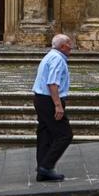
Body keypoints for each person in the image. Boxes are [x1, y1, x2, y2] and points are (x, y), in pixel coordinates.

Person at [31, 34, 73, 181]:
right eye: (69, 43)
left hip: (40, 98)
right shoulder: (57, 59)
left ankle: (42, 170)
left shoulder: (50, 55)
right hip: (49, 100)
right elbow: (52, 83)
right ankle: (46, 167)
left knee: (45, 133)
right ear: (62, 46)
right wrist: (58, 105)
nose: (71, 46)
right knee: (65, 134)